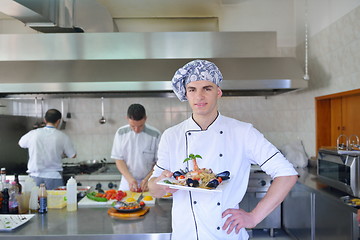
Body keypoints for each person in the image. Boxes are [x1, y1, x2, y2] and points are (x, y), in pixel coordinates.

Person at [148, 59, 298, 240]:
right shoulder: (171, 136)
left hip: (226, 234)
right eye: (192, 89)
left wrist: (253, 217)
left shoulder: (243, 132)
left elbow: (287, 174)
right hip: (184, 234)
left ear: (218, 92)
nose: (199, 96)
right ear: (186, 94)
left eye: (207, 88)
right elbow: (154, 190)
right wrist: (163, 185)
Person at [18, 109, 77, 190]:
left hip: (35, 177)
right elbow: (73, 155)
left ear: (45, 120)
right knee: (56, 202)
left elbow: (21, 144)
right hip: (54, 176)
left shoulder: (33, 133)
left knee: (35, 202)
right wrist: (62, 154)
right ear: (58, 121)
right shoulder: (62, 136)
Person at [111, 103, 161, 192]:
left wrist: (147, 179)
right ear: (127, 119)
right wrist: (130, 179)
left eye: (140, 126)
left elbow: (159, 162)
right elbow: (118, 159)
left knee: (149, 204)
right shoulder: (121, 133)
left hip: (149, 180)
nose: (136, 130)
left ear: (145, 118)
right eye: (133, 126)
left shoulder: (155, 134)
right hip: (127, 180)